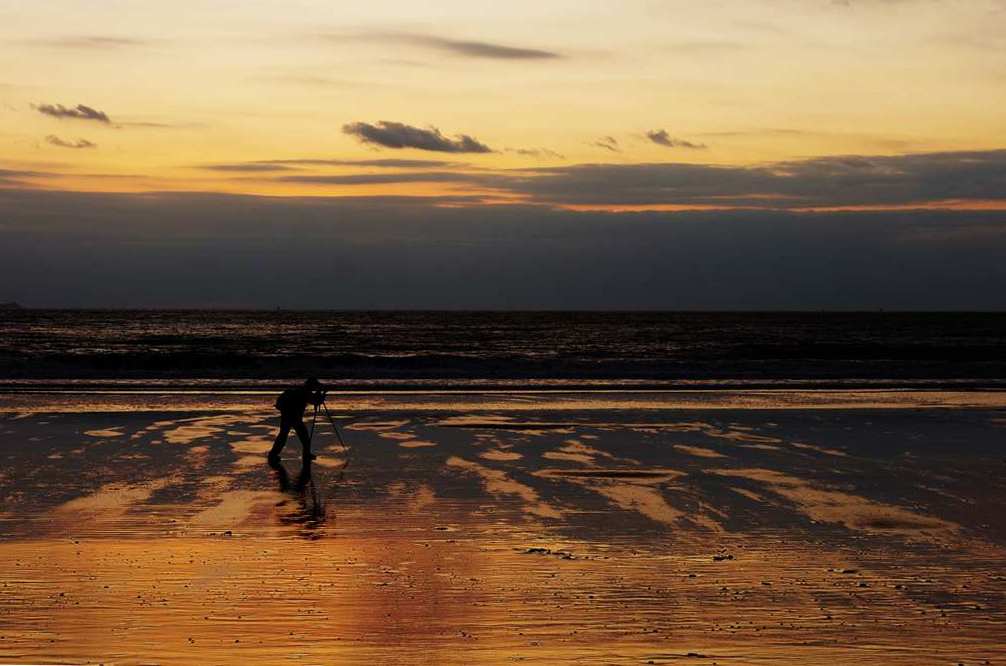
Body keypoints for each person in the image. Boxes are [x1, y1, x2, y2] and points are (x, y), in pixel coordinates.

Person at [268, 378, 326, 463]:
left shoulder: (301, 391)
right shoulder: (305, 393)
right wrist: (322, 394)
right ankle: (306, 455)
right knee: (304, 437)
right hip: (295, 417)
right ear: (311, 386)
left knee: (283, 436)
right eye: (315, 386)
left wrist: (319, 393)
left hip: (287, 416)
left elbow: (314, 400)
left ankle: (273, 455)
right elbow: (316, 401)